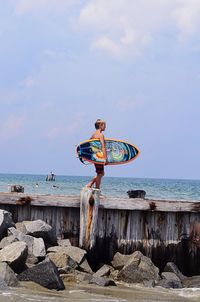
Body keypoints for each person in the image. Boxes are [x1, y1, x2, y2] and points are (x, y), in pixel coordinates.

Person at [86, 119, 108, 189]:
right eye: (104, 125)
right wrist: (105, 158)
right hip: (100, 157)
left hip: (95, 157)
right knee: (100, 173)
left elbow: (88, 143)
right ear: (100, 125)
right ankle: (94, 188)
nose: (105, 127)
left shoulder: (93, 135)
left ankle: (91, 185)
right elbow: (103, 147)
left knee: (101, 173)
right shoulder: (101, 135)